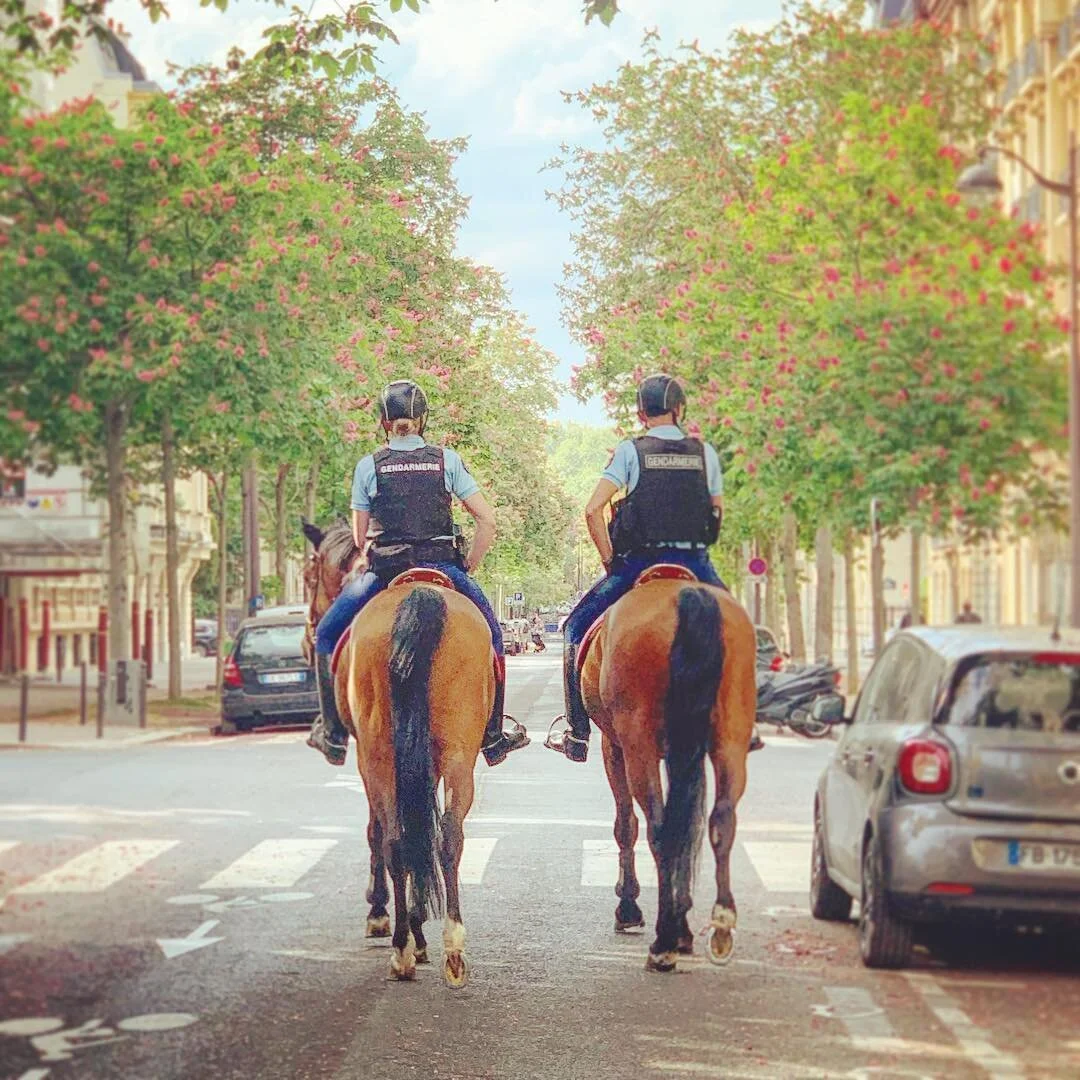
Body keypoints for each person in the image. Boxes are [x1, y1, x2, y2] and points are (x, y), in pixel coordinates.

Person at [307, 380, 529, 768]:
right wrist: (469, 564)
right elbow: (486, 520)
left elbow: (360, 537)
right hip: (441, 564)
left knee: (326, 635)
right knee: (492, 636)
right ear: (422, 420)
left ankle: (334, 735)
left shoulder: (368, 466)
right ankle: (493, 736)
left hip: (385, 571)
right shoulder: (447, 461)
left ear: (383, 422)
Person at [547, 373, 727, 763]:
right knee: (738, 630)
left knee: (575, 629)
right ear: (680, 410)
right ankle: (742, 721)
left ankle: (577, 732)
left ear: (642, 412)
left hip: (639, 564)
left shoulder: (631, 452)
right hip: (694, 561)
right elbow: (716, 512)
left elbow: (593, 509)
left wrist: (610, 558)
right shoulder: (704, 453)